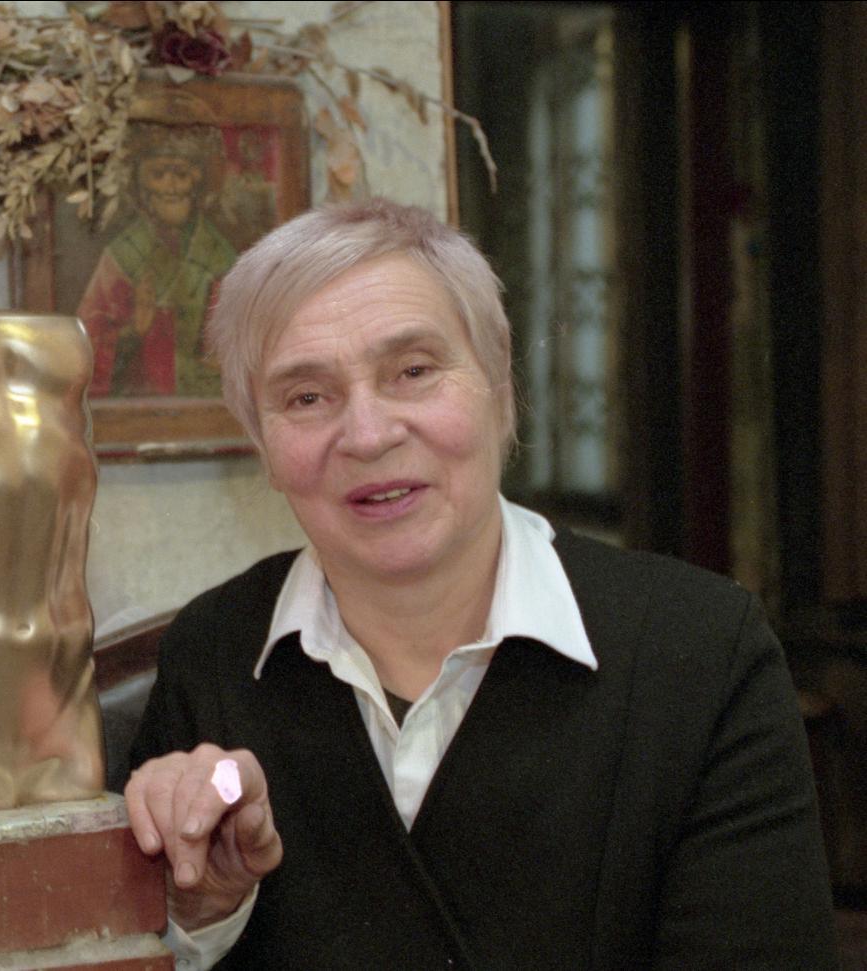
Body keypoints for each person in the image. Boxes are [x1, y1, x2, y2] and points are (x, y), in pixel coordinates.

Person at [122, 198, 837, 968]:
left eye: (412, 371)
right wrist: (202, 911)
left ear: (500, 389)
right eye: (305, 397)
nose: (367, 434)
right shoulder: (212, 654)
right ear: (262, 445)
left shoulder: (702, 653)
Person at [76, 126, 235, 399]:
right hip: (133, 410)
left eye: (181, 175)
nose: (171, 187)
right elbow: (84, 348)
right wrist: (132, 331)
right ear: (142, 186)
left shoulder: (218, 254)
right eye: (158, 175)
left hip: (205, 410)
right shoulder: (122, 257)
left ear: (197, 184)